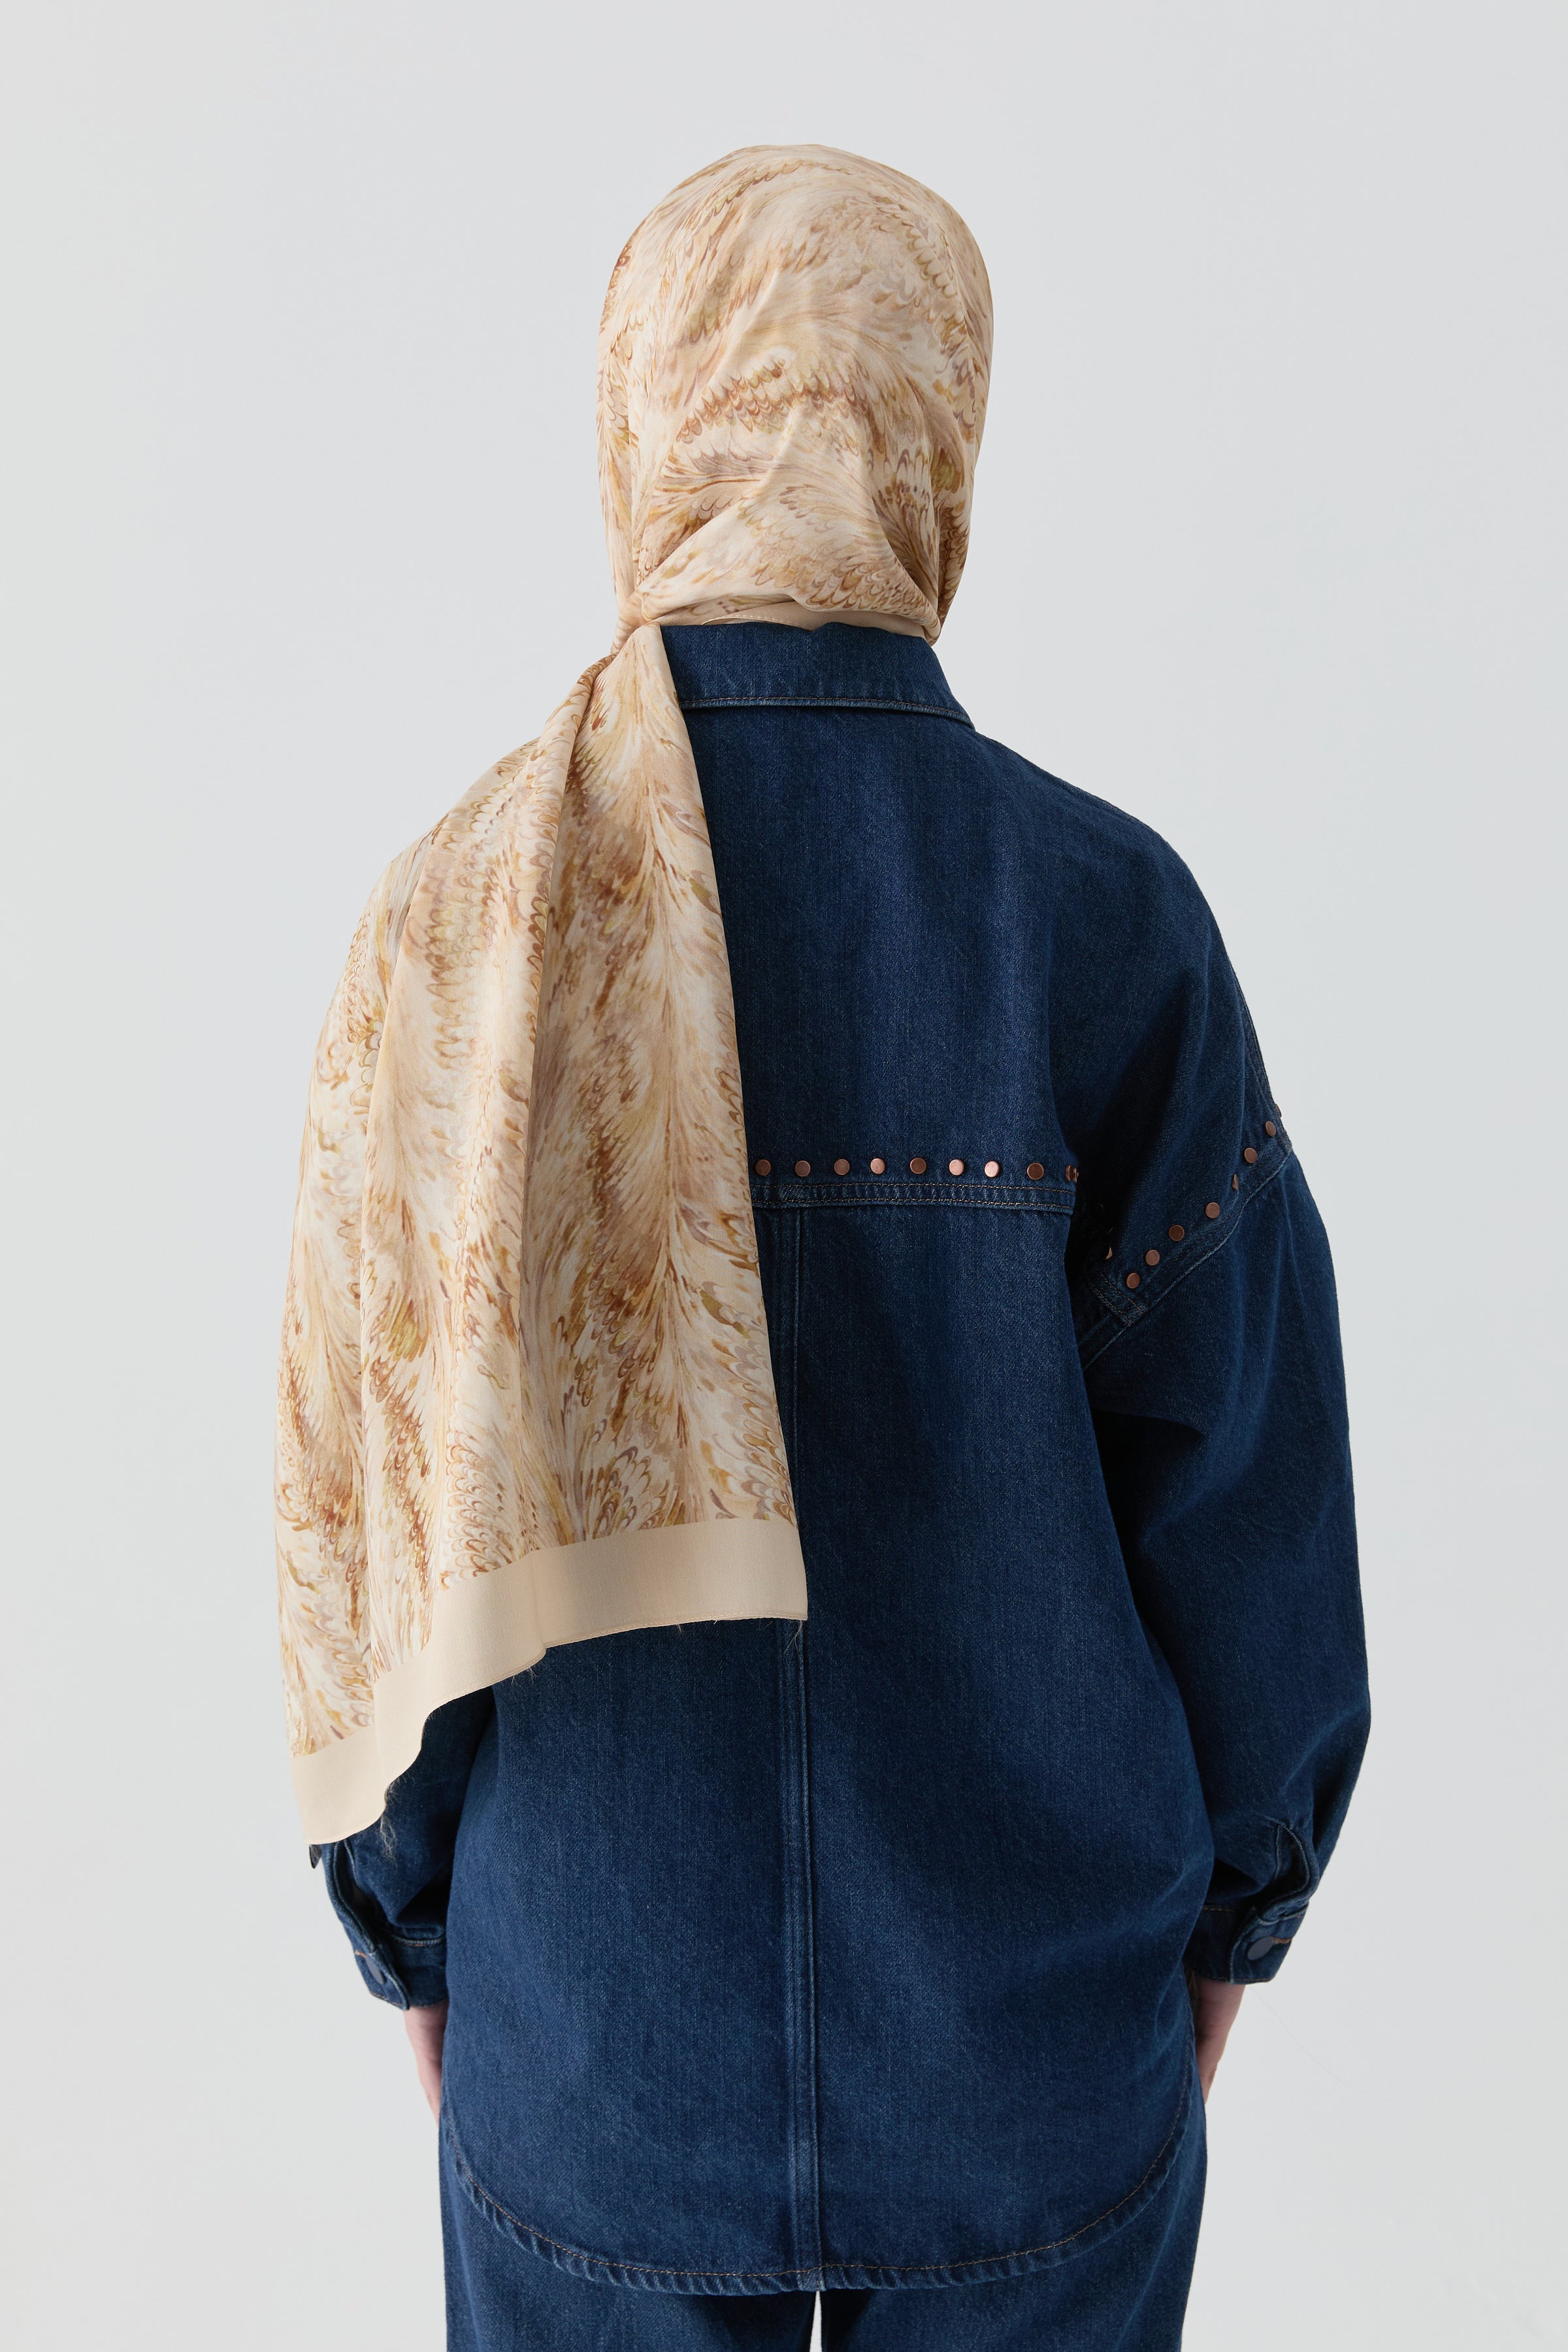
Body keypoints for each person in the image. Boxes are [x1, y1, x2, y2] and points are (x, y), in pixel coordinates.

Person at [278, 146, 1369, 2350]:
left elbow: (371, 1515)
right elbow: (1252, 1513)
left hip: (591, 2047)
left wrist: (420, 1938)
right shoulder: (1107, 917)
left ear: (643, 412)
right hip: (1032, 2060)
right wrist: (1225, 1941)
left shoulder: (458, 923)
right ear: (938, 419)